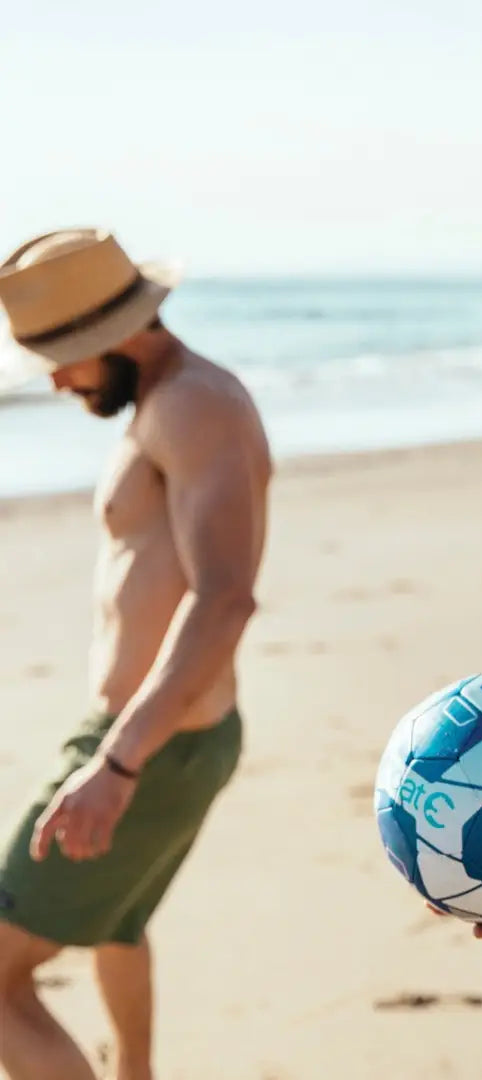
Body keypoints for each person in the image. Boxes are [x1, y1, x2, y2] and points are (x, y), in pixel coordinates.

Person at [0, 229, 272, 1080]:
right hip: (151, 734)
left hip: (152, 744)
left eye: (66, 356)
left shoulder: (194, 403)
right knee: (114, 919)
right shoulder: (169, 400)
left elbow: (224, 597)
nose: (56, 378)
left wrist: (116, 768)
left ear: (117, 336)